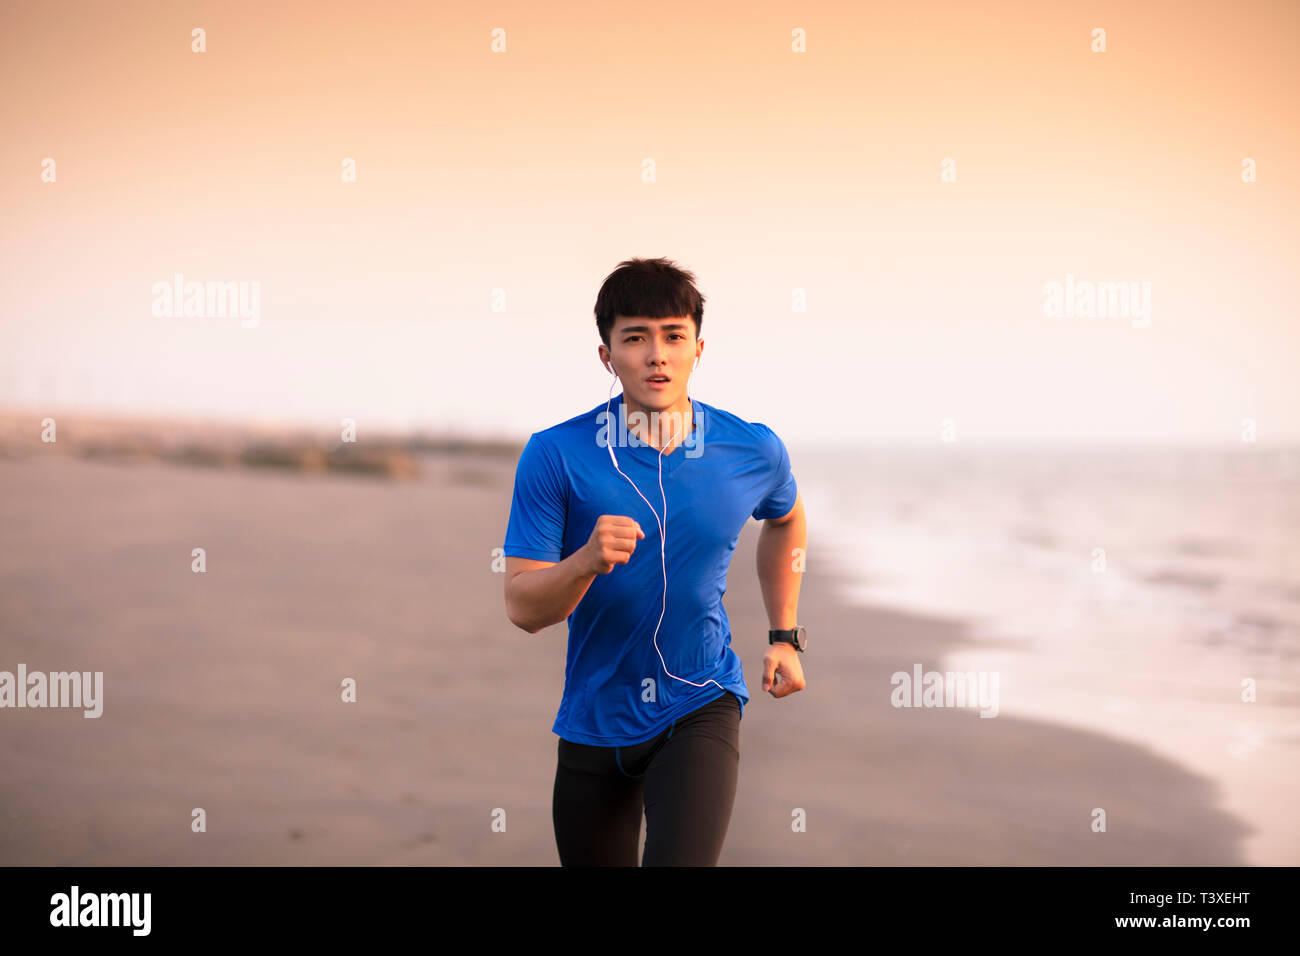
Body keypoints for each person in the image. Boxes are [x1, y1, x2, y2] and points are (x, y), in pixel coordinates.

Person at [502, 256, 808, 866]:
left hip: (701, 699)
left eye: (673, 336)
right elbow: (523, 608)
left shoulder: (750, 448)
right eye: (635, 337)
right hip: (594, 717)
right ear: (606, 355)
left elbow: (787, 518)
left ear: (699, 348)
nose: (656, 355)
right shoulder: (555, 455)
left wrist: (784, 634)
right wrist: (585, 560)